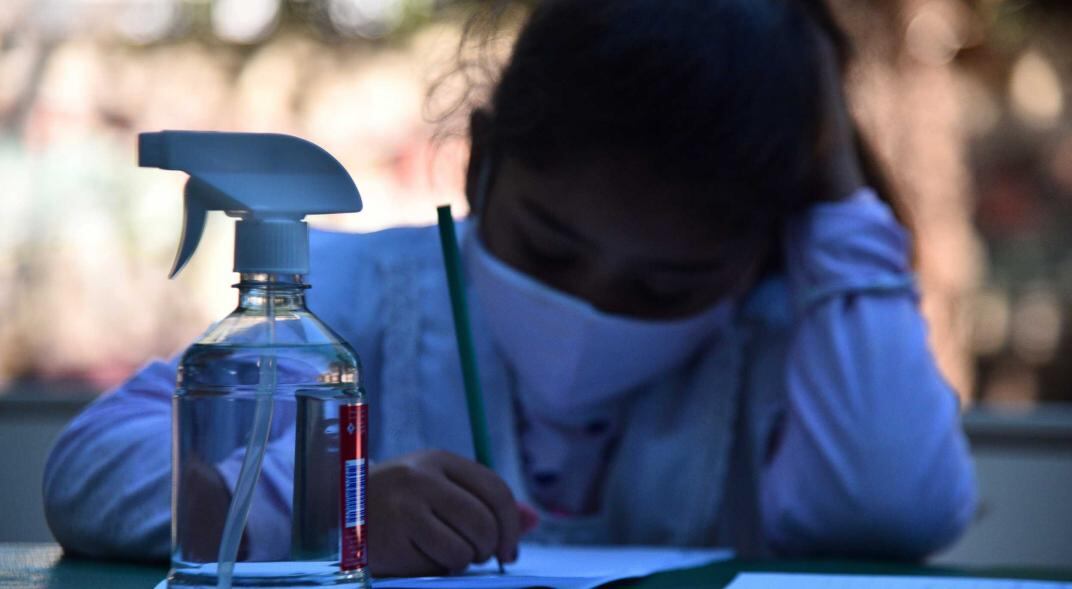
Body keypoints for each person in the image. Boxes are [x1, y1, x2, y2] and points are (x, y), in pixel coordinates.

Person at [43, 0, 977, 577]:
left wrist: (839, 197)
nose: (595, 311)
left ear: (767, 250)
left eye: (668, 285)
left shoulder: (787, 347)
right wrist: (332, 506)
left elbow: (892, 507)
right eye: (550, 250)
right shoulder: (355, 294)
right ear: (482, 162)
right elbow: (91, 470)